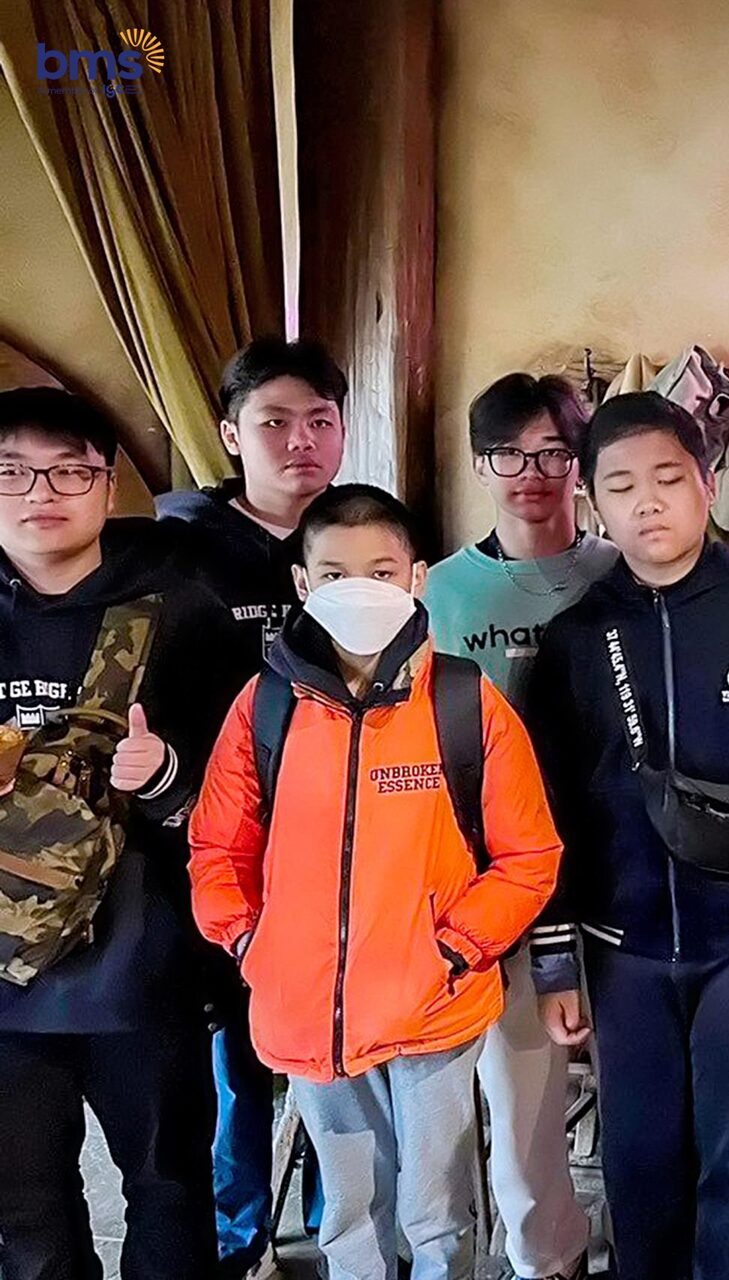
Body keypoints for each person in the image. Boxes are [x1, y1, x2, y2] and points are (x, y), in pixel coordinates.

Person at [188, 484, 564, 1280]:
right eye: (334, 574)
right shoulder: (265, 706)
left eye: (381, 572)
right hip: (307, 1009)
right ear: (301, 583)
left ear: (417, 577)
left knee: (436, 1216)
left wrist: (454, 949)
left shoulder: (464, 702)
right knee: (349, 1217)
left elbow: (529, 855)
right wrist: (252, 943)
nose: (358, 591)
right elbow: (217, 846)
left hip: (432, 1006)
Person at [524, 392, 729, 1280]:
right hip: (621, 949)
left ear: (707, 485)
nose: (648, 502)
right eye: (621, 485)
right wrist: (554, 961)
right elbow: (544, 807)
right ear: (592, 500)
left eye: (669, 478)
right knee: (638, 1162)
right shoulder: (574, 640)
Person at [0, 386, 250, 1280]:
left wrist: (167, 776)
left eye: (69, 471)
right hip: (2, 987)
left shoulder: (183, 612)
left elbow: (245, 797)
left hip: (144, 970)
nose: (41, 492)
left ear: (109, 486)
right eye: (12, 472)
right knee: (22, 1205)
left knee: (169, 1188)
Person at [156, 335, 349, 1274]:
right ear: (231, 434)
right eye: (275, 422)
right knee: (237, 1056)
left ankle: (334, 1223)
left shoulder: (363, 534)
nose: (300, 441)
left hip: (345, 836)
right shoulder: (179, 549)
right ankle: (241, 1236)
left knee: (336, 1051)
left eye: (320, 420)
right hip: (220, 837)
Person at [423, 373, 616, 1280]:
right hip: (499, 882)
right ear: (479, 465)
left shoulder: (622, 571)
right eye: (508, 453)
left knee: (644, 1097)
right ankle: (549, 1261)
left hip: (619, 870)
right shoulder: (443, 592)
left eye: (552, 452)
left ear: (580, 464)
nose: (531, 473)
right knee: (523, 1104)